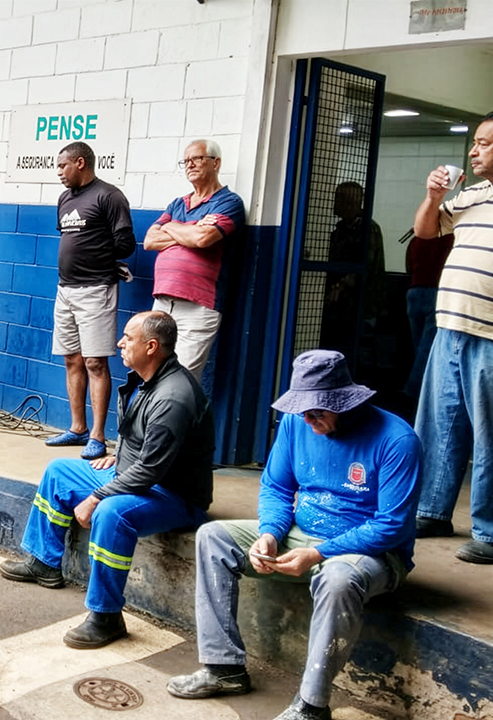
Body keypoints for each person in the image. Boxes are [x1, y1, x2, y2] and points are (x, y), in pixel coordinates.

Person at [167, 350, 419, 720]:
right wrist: (269, 533)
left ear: (345, 403)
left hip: (373, 553)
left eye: (317, 412)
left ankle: (312, 706)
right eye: (302, 411)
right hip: (303, 534)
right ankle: (224, 668)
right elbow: (276, 488)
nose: (307, 420)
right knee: (213, 537)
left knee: (338, 579)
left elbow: (391, 525)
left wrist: (318, 554)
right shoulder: (296, 422)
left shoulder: (397, 439)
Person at [0, 311, 214, 648]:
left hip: (174, 495)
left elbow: (151, 471)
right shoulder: (146, 378)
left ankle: (106, 616)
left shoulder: (174, 396)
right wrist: (121, 455)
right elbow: (141, 442)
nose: (120, 343)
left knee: (111, 513)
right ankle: (44, 563)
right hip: (137, 475)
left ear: (151, 347)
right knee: (59, 472)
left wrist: (97, 496)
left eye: (128, 337)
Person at [411, 111, 493, 564]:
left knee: (489, 435)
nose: (473, 151)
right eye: (475, 142)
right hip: (450, 327)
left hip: (489, 333)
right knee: (439, 424)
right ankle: (431, 511)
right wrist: (433, 197)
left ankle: (490, 532)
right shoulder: (472, 194)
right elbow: (426, 231)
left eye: (484, 143)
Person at [45, 141, 136, 460]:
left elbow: (125, 244)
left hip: (97, 289)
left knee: (95, 362)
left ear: (80, 163)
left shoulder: (109, 196)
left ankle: (97, 436)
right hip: (65, 289)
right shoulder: (65, 199)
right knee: (71, 359)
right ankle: (78, 428)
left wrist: (98, 259)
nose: (59, 172)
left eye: (63, 166)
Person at [143, 139, 246, 379]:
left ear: (215, 163)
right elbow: (149, 241)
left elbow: (202, 239)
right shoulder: (178, 204)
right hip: (163, 302)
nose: (190, 164)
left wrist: (170, 226)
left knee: (182, 379)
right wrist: (191, 227)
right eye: (186, 161)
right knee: (151, 371)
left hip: (199, 306)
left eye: (197, 158)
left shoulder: (229, 202)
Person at [319, 181, 385, 368]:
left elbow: (367, 264)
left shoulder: (368, 229)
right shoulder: (340, 230)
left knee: (356, 349)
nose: (334, 203)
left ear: (351, 203)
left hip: (361, 304)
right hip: (339, 305)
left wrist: (341, 286)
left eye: (339, 199)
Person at [402, 232, 453, 399]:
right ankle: (416, 390)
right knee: (427, 348)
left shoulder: (416, 240)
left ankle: (419, 388)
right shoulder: (449, 240)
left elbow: (409, 266)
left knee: (418, 346)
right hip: (436, 293)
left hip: (414, 292)